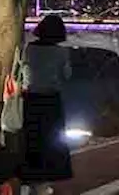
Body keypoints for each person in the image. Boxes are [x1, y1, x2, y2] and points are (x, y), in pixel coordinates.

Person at [20, 15, 73, 194]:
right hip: (51, 99)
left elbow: (24, 71)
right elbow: (67, 75)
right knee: (51, 140)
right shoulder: (61, 52)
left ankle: (28, 179)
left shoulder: (29, 49)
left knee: (31, 139)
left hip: (31, 99)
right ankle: (45, 180)